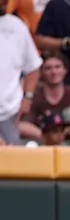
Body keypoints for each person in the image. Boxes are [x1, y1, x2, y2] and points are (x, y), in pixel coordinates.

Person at [20, 52, 70, 143]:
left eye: (58, 67)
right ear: (41, 72)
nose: (54, 72)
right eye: (48, 68)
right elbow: (21, 126)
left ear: (65, 70)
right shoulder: (34, 96)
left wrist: (66, 130)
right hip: (41, 148)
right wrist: (48, 135)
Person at [0, 0, 41, 145]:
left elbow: (33, 67)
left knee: (13, 165)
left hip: (9, 115)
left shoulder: (17, 26)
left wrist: (27, 98)